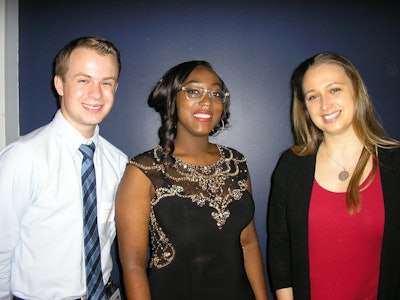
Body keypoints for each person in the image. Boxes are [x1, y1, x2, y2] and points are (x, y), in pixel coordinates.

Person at [116, 60, 268, 300]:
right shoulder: (145, 170)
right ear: (171, 99)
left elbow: (248, 243)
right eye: (194, 91)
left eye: (216, 93)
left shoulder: (236, 164)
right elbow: (133, 265)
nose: (207, 101)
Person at [0, 36, 128, 299]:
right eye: (83, 80)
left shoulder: (118, 162)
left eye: (107, 83)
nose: (96, 93)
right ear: (60, 84)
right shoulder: (23, 157)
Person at [267, 51, 400, 300]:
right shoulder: (291, 166)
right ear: (305, 108)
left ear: (356, 91)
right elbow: (280, 248)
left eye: (335, 90)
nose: (325, 105)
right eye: (313, 96)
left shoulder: (395, 162)